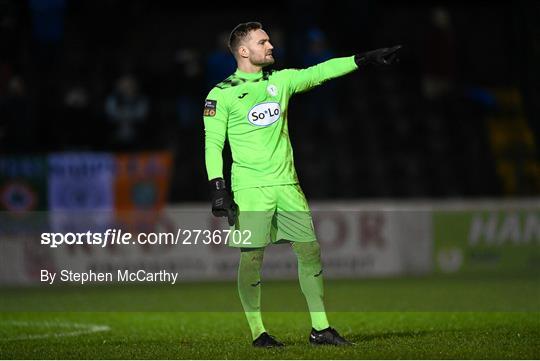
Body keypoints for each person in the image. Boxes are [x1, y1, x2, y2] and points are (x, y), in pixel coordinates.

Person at [203, 21, 401, 348]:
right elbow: (213, 145)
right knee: (251, 258)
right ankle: (258, 332)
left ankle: (320, 329)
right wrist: (218, 187)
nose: (270, 46)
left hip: (287, 186)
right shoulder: (220, 94)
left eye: (269, 41)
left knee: (310, 251)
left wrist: (362, 59)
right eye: (262, 42)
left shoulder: (281, 81)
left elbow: (320, 71)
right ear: (243, 50)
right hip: (251, 189)